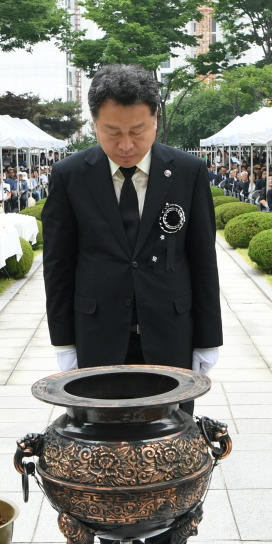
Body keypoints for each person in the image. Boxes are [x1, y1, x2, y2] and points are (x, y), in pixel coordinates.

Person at [43, 63, 222, 383]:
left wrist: (207, 340)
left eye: (137, 131)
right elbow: (58, 265)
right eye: (113, 132)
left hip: (171, 332)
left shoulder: (188, 172)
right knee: (99, 430)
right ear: (95, 123)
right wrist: (64, 341)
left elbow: (203, 260)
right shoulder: (70, 176)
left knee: (170, 430)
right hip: (97, 336)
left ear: (155, 119)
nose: (125, 145)